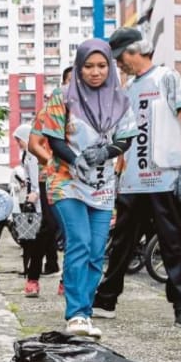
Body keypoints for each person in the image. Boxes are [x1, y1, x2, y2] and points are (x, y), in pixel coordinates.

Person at [93, 27, 181, 329]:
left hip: (164, 179)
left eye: (120, 58)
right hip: (132, 182)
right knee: (122, 244)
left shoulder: (167, 77)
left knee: (173, 244)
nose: (119, 65)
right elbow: (125, 137)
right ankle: (107, 300)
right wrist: (116, 174)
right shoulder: (127, 91)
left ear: (134, 51)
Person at [35, 38, 137, 338]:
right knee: (78, 242)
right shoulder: (63, 96)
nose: (95, 72)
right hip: (67, 181)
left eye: (102, 66)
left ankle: (86, 311)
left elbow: (126, 138)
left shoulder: (120, 100)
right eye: (88, 66)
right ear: (79, 68)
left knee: (95, 252)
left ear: (110, 67)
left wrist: (106, 153)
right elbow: (52, 138)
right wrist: (76, 158)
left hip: (102, 186)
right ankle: (76, 314)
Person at [11, 124, 50, 297]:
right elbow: (31, 181)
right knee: (36, 240)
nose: (18, 143)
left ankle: (62, 279)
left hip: (50, 199)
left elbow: (42, 178)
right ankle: (32, 278)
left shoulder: (37, 153)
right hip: (35, 204)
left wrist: (36, 192)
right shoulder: (27, 156)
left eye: (19, 139)